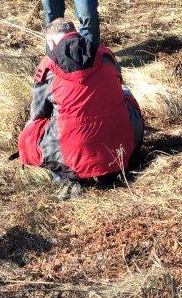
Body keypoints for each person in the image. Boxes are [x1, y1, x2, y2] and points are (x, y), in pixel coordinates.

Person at [17, 19, 144, 196]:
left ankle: (67, 178)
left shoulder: (46, 67)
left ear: (51, 41)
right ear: (75, 32)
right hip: (121, 153)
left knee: (30, 130)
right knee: (125, 93)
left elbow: (37, 115)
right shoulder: (106, 54)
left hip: (73, 157)